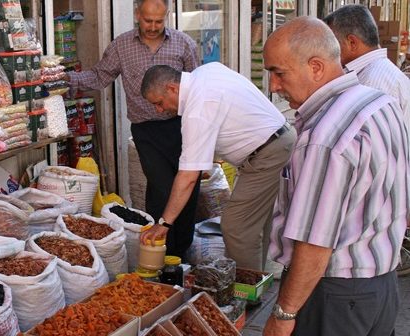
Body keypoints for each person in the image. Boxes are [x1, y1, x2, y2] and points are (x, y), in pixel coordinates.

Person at [263, 17, 407, 336]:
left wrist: (284, 313)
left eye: (278, 72)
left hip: (336, 294)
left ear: (316, 67)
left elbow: (315, 243)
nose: (273, 86)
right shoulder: (379, 103)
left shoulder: (325, 137)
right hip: (381, 287)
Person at [68, 0, 199, 257]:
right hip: (146, 131)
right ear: (137, 14)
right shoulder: (122, 45)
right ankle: (160, 253)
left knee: (188, 189)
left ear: (167, 17)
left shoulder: (184, 44)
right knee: (161, 187)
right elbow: (99, 76)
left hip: (182, 126)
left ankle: (182, 253)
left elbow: (198, 83)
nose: (152, 26)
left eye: (159, 21)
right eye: (147, 20)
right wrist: (66, 80)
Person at [138, 62, 296, 271]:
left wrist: (164, 223)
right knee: (256, 225)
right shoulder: (207, 71)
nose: (159, 110)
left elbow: (188, 177)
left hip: (268, 153)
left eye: (158, 102)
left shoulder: (197, 107)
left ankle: (244, 294)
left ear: (172, 88)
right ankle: (256, 283)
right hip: (278, 143)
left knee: (236, 227)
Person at [323, 4, 410, 122]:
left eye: (332, 43)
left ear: (352, 42)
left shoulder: (371, 83)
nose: (328, 50)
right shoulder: (379, 72)